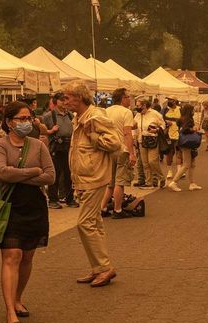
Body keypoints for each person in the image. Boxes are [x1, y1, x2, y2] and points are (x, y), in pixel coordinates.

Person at [0, 101, 55, 323]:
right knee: (12, 255)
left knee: (27, 256)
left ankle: (18, 298)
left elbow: (50, 176)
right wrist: (33, 172)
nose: (27, 122)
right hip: (9, 206)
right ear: (9, 122)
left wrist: (20, 175)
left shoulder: (38, 145)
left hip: (34, 207)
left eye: (29, 118)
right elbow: (1, 172)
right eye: (21, 119)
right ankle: (10, 312)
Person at [62, 80, 123, 287]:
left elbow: (115, 143)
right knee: (94, 223)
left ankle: (104, 268)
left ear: (79, 98)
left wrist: (93, 135)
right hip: (86, 176)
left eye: (67, 97)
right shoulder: (79, 117)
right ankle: (99, 267)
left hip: (94, 177)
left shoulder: (95, 116)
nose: (65, 101)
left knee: (85, 223)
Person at [101, 88, 137, 219]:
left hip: (109, 148)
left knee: (110, 182)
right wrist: (132, 153)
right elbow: (127, 133)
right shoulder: (126, 112)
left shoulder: (106, 111)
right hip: (122, 149)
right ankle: (117, 209)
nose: (130, 99)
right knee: (119, 182)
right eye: (128, 97)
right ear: (123, 98)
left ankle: (103, 208)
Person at [42, 93, 78, 208]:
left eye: (66, 100)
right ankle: (52, 200)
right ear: (56, 101)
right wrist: (51, 131)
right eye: (62, 100)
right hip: (56, 148)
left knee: (69, 174)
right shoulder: (49, 116)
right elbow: (42, 131)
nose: (65, 102)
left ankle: (69, 199)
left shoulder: (71, 115)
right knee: (55, 174)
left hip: (69, 147)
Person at [134, 96, 166, 188]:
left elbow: (163, 125)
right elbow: (134, 126)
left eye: (138, 105)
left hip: (152, 140)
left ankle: (161, 177)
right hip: (141, 140)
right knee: (145, 163)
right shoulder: (138, 115)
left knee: (152, 161)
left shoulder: (155, 114)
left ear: (144, 105)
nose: (137, 107)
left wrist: (156, 130)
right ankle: (149, 182)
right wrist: (134, 138)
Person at [169, 104, 202, 192]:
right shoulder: (188, 119)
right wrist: (194, 129)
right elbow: (185, 130)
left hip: (182, 142)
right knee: (187, 164)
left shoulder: (181, 119)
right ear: (189, 111)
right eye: (193, 110)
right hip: (188, 143)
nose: (194, 111)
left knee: (192, 164)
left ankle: (192, 183)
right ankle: (174, 182)